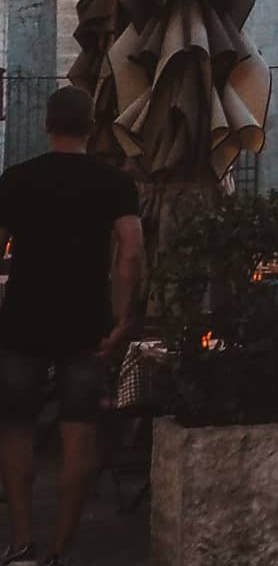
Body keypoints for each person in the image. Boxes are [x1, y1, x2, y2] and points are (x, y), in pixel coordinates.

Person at [0, 85, 144, 566]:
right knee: (78, 436)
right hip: (87, 325)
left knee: (16, 430)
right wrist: (123, 316)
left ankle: (21, 542)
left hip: (21, 322)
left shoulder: (16, 180)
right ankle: (59, 550)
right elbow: (131, 253)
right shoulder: (115, 184)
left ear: (46, 123)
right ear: (91, 127)